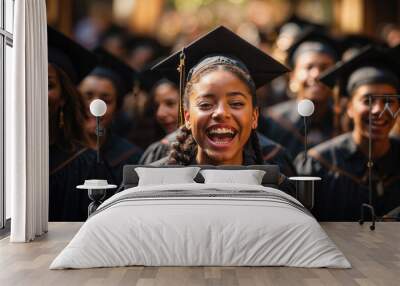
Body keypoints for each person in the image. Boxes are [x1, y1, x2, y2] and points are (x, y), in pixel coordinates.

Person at [150, 26, 296, 192]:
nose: (221, 113)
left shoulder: (277, 188)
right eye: (205, 104)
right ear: (188, 117)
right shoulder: (151, 182)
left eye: (236, 103)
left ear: (255, 116)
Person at [295, 45, 400, 221]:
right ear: (349, 107)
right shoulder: (318, 165)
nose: (378, 110)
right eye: (368, 100)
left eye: (389, 101)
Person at [48, 26, 104, 221]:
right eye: (27, 81)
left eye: (48, 85)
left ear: (63, 96)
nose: (35, 90)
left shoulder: (84, 165)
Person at [263, 28, 340, 158]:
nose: (316, 74)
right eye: (308, 67)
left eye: (324, 67)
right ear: (293, 76)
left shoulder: (344, 123)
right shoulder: (271, 121)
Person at [79, 48, 143, 186]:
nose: (95, 107)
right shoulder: (57, 157)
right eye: (87, 96)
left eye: (106, 100)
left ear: (117, 108)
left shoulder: (132, 159)